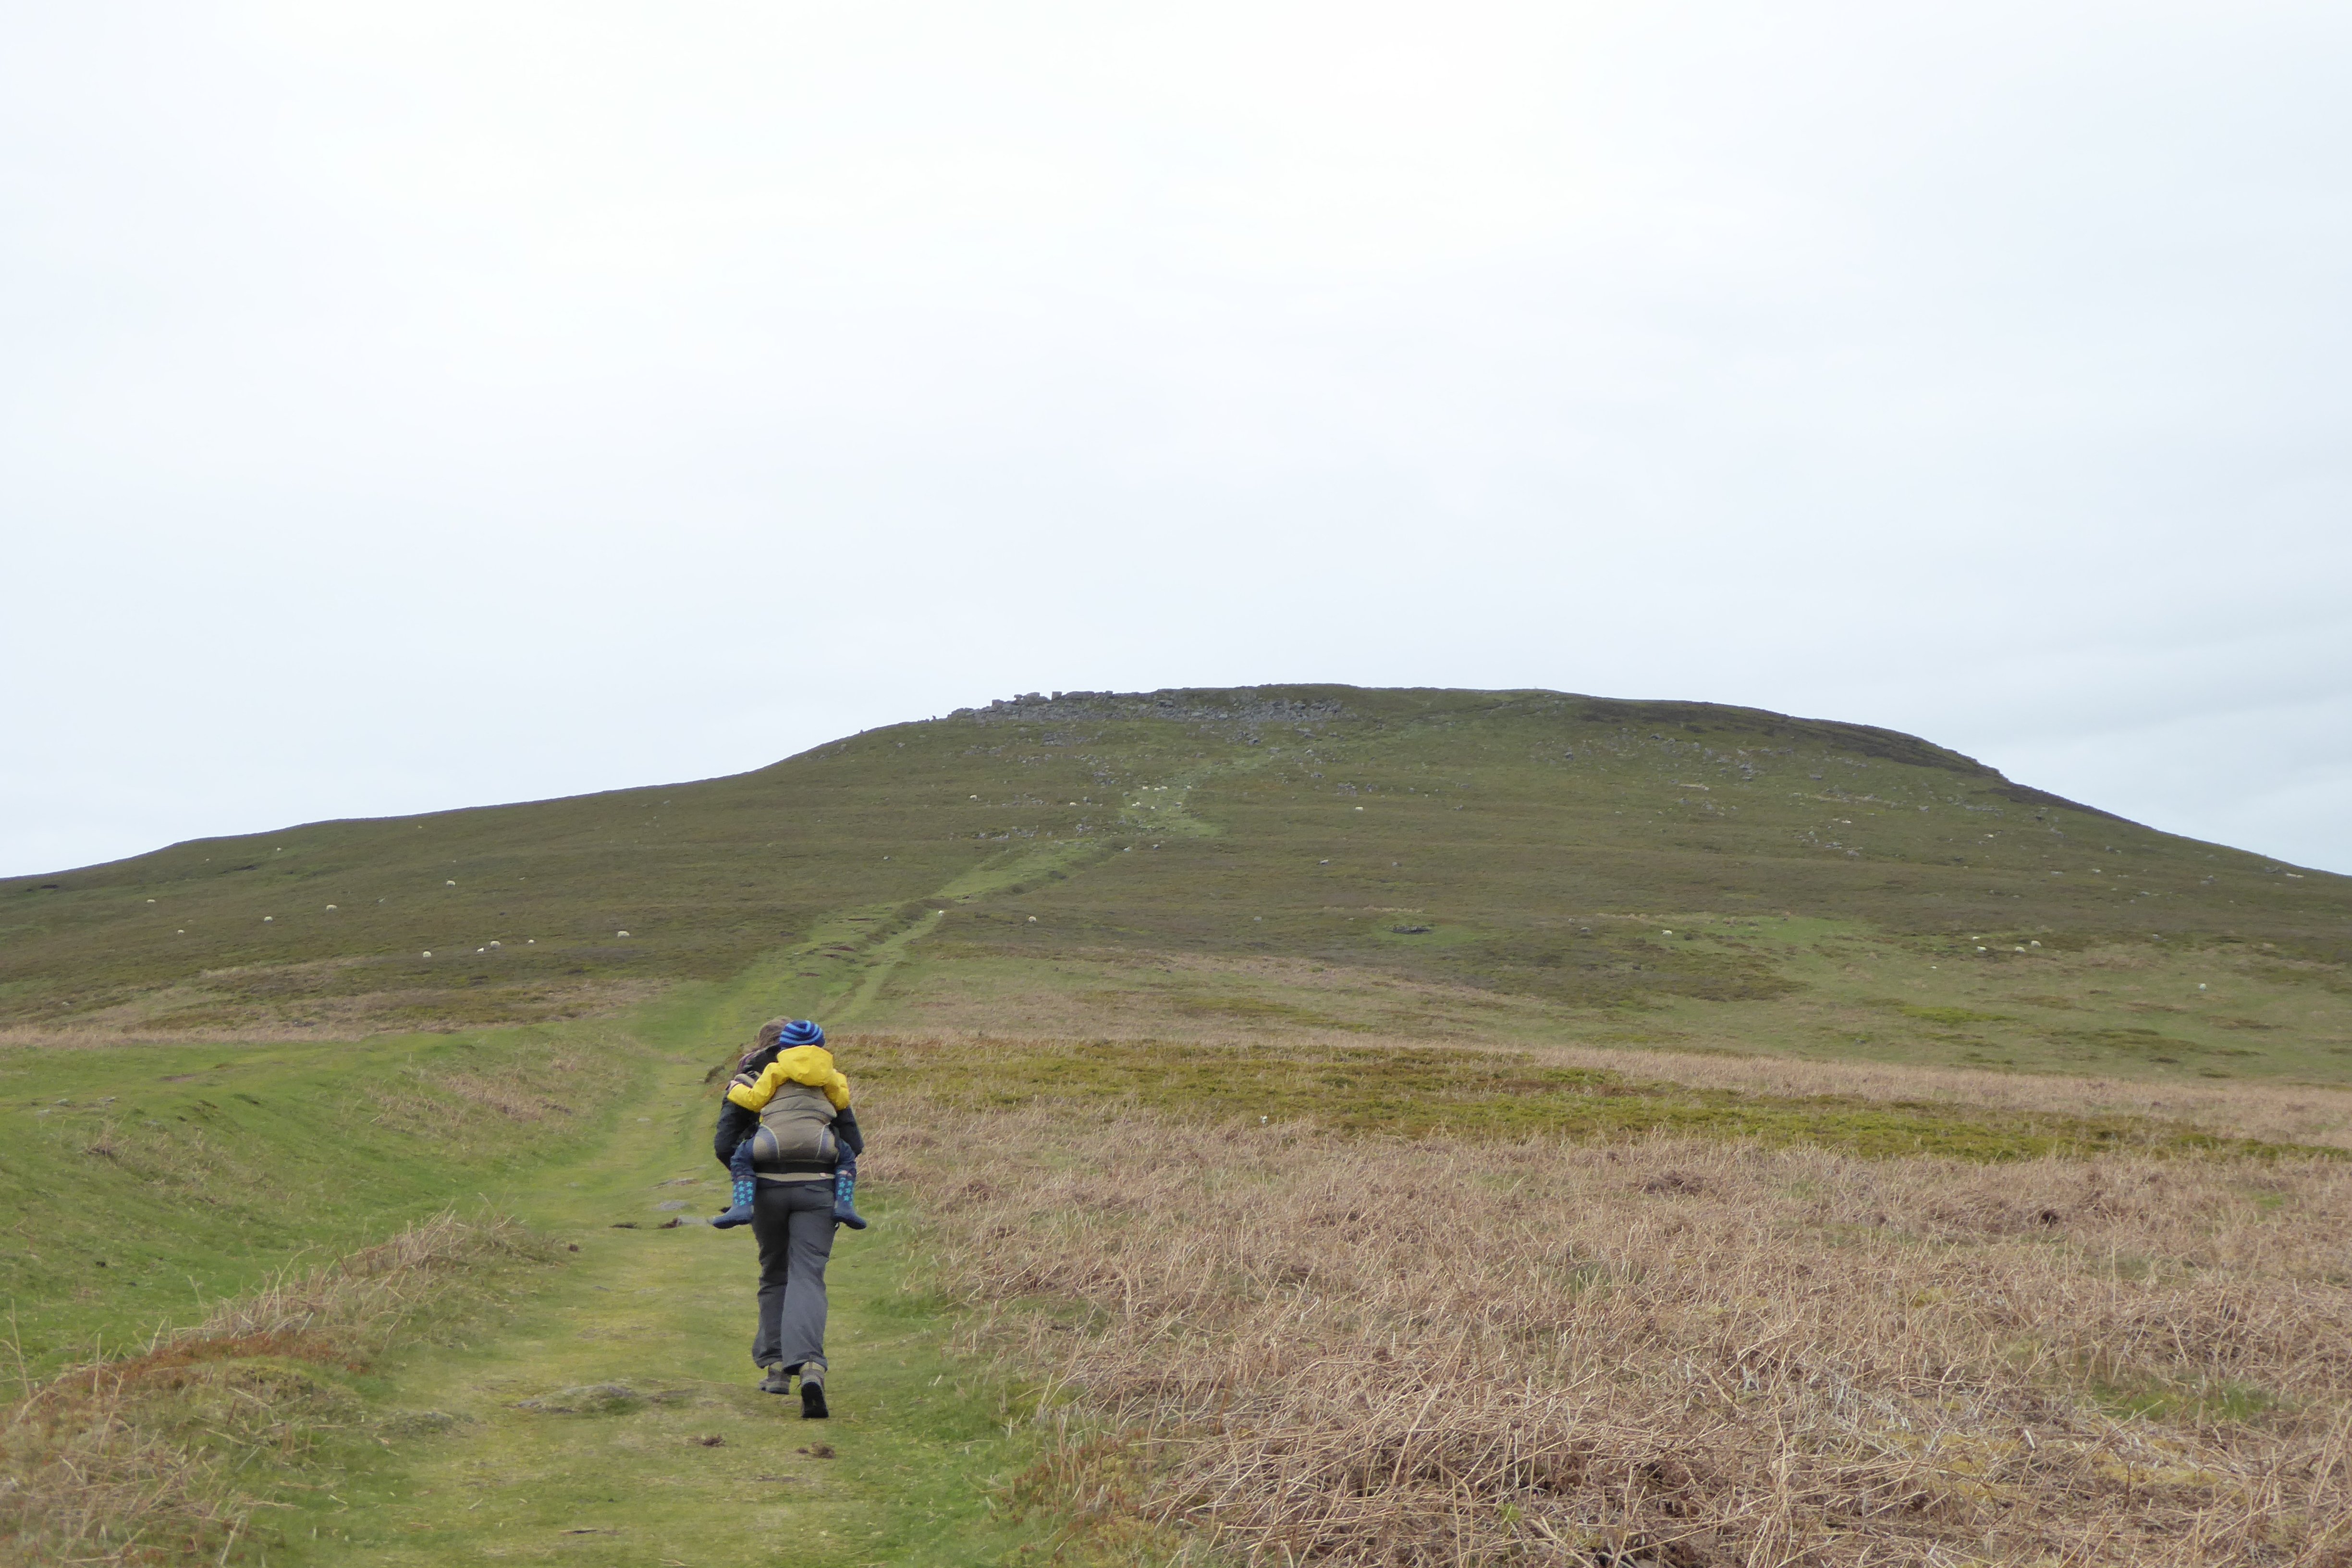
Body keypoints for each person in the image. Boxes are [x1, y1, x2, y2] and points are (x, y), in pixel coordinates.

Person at [709, 1018, 865, 1419]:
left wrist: (752, 1171)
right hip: (818, 1189)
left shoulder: (750, 1079)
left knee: (775, 1272)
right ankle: (811, 1366)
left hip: (766, 1188)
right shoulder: (827, 1079)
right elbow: (855, 1144)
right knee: (808, 1275)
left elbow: (725, 1144)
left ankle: (777, 1369)